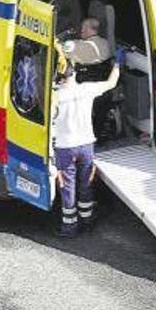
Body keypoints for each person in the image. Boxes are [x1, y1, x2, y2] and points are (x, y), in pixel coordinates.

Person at [52, 49, 124, 238]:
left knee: (67, 186)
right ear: (75, 72)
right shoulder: (87, 89)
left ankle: (69, 226)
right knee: (86, 183)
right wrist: (117, 62)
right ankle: (88, 219)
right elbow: (111, 83)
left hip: (64, 147)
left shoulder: (55, 96)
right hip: (86, 146)